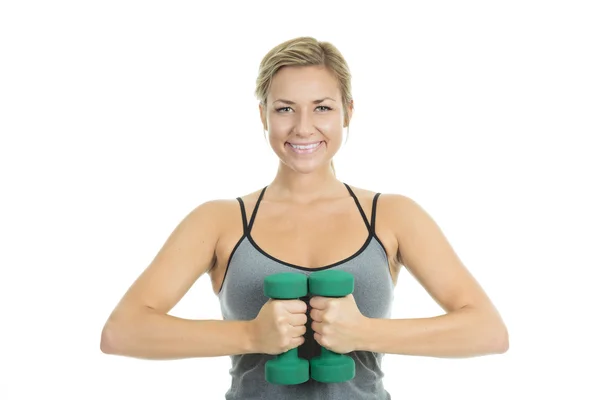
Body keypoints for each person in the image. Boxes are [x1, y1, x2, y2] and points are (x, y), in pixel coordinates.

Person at [100, 36, 509, 399]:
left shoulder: (392, 216)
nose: (303, 127)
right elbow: (123, 331)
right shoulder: (219, 222)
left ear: (348, 112)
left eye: (322, 107)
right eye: (284, 109)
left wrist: (364, 332)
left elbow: (487, 331)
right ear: (262, 115)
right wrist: (250, 335)